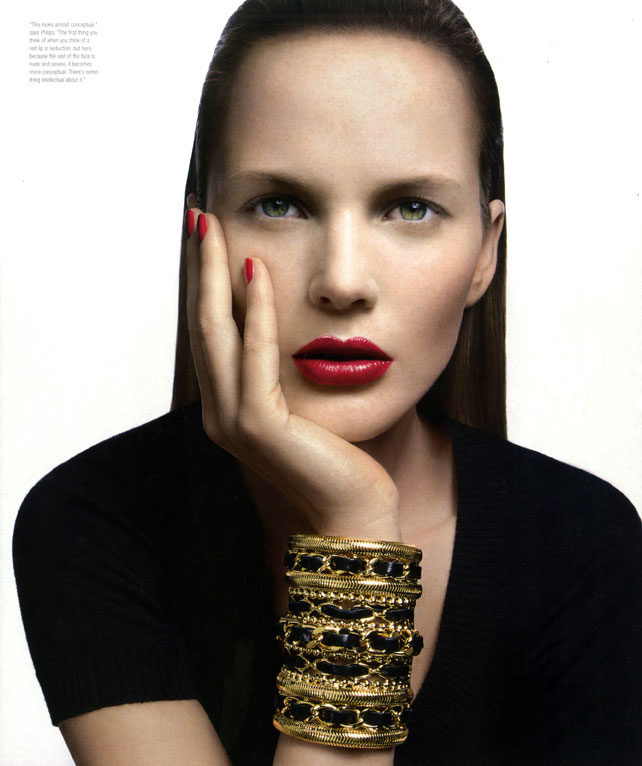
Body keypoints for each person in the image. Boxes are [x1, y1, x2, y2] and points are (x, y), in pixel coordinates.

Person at [12, 0, 642, 764]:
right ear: (202, 235)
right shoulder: (94, 520)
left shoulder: (585, 544)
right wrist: (354, 528)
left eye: (411, 208)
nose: (342, 282)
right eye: (280, 205)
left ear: (485, 252)